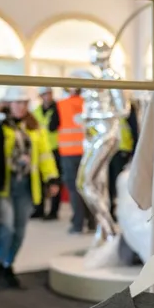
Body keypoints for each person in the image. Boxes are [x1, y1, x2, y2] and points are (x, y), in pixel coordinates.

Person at [0, 87, 59, 288]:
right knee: (6, 227)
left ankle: (8, 264)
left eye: (24, 103)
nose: (21, 107)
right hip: (5, 186)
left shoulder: (34, 127)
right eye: (17, 103)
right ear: (8, 104)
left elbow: (45, 154)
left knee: (19, 230)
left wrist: (52, 178)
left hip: (27, 186)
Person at [56, 87, 95, 233]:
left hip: (69, 153)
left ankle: (77, 224)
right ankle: (92, 222)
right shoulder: (89, 103)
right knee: (88, 186)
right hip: (88, 152)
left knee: (73, 189)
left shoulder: (61, 105)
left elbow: (52, 126)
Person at [31, 87, 62, 220]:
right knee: (39, 180)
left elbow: (55, 126)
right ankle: (39, 209)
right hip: (40, 150)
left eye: (49, 94)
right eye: (44, 94)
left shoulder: (58, 109)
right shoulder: (36, 111)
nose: (47, 97)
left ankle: (54, 211)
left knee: (54, 181)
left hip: (55, 148)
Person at [107, 102, 138, 221]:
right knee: (108, 183)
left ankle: (121, 210)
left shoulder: (127, 106)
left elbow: (134, 129)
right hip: (108, 150)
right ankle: (110, 210)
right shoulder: (106, 106)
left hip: (122, 150)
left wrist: (134, 152)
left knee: (119, 183)